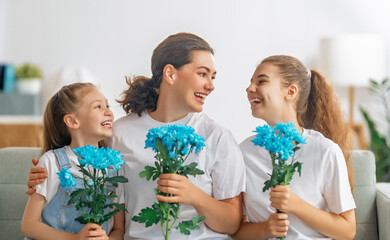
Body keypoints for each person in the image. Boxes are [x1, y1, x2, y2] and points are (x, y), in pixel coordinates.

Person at [26, 33, 246, 239]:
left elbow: (231, 224)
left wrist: (195, 196)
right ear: (170, 73)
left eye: (213, 77)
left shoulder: (218, 138)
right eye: (202, 73)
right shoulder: (118, 132)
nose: (211, 85)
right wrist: (42, 177)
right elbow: (75, 160)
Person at [232, 55, 356, 240]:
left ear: (290, 92)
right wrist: (264, 229)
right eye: (251, 82)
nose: (249, 88)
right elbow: (234, 230)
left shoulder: (325, 151)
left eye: (261, 81)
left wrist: (296, 205)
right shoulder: (242, 153)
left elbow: (347, 231)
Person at [21, 83, 125, 240]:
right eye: (98, 106)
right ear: (72, 121)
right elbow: (29, 226)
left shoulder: (115, 168)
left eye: (107, 105)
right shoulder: (51, 162)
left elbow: (119, 230)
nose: (108, 112)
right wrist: (75, 239)